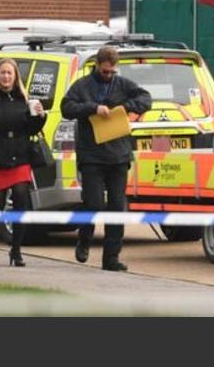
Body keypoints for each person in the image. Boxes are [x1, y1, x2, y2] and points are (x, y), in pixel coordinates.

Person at [61, 46, 151, 272]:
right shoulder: (82, 86)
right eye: (105, 71)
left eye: (112, 72)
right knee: (93, 203)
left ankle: (111, 259)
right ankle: (84, 238)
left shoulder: (122, 85)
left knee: (116, 206)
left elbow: (145, 98)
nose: (109, 75)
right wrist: (92, 108)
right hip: (92, 155)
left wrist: (126, 107)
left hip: (119, 154)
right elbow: (66, 107)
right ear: (96, 66)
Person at [0, 58, 47, 267]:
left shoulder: (23, 97)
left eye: (9, 73)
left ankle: (16, 250)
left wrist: (40, 117)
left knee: (21, 198)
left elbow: (31, 129)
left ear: (15, 76)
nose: (6, 77)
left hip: (20, 154)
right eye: (3, 73)